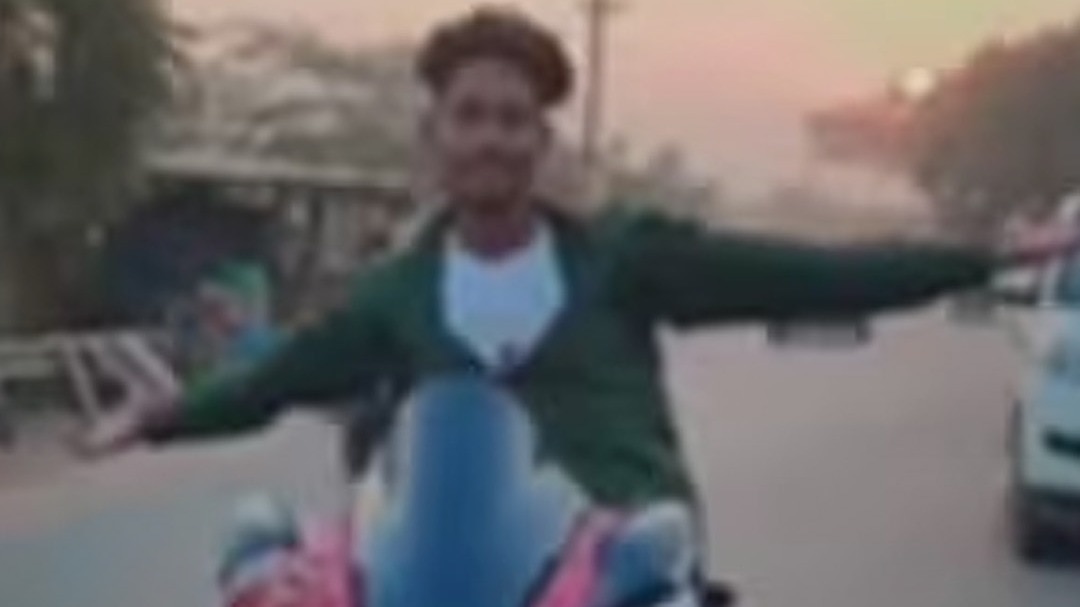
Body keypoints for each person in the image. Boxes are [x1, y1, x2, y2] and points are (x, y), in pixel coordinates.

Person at [78, 6, 1080, 601]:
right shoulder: (396, 294)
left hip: (619, 576)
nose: (492, 138)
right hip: (463, 584)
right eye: (471, 116)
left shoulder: (622, 260)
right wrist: (157, 418)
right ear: (436, 136)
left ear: (540, 141)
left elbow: (810, 273)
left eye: (514, 120)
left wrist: (983, 257)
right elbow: (274, 380)